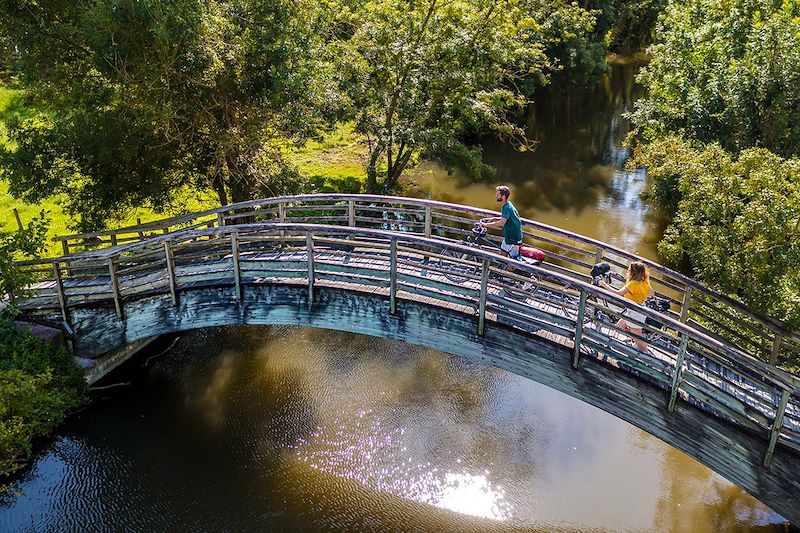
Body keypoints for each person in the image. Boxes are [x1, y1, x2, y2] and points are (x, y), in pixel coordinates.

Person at [597, 261, 655, 352]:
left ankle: (649, 360)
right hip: (638, 310)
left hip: (635, 313)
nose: (627, 271)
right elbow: (652, 293)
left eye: (629, 270)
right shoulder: (644, 282)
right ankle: (610, 344)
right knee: (618, 327)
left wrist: (604, 284)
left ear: (633, 272)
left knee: (639, 340)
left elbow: (618, 293)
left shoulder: (632, 284)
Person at [479, 185, 523, 259]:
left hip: (514, 239)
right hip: (508, 237)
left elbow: (501, 223)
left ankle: (507, 270)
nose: (496, 196)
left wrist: (485, 225)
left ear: (503, 196)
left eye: (498, 194)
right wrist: (493, 219)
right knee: (502, 255)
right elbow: (505, 218)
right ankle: (498, 270)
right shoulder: (507, 204)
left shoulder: (506, 207)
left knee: (511, 262)